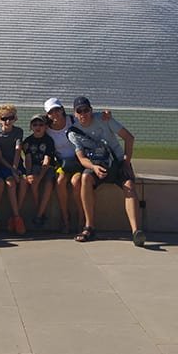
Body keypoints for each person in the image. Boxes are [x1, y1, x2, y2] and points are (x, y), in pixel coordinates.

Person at [67, 96, 145, 247]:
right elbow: (82, 158)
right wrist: (94, 167)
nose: (84, 114)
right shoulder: (73, 132)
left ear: (91, 110)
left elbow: (129, 138)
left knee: (129, 185)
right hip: (96, 166)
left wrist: (126, 162)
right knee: (85, 178)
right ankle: (89, 226)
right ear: (75, 113)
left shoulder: (104, 119)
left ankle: (136, 231)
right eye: (80, 111)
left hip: (116, 163)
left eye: (86, 110)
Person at [44, 97, 82, 233]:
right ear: (47, 115)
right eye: (51, 112)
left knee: (76, 182)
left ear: (62, 110)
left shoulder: (72, 121)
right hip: (62, 163)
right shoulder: (47, 129)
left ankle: (81, 217)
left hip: (79, 161)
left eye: (57, 110)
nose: (55, 114)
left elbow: (88, 118)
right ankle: (65, 218)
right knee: (60, 182)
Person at [0, 103, 26, 235]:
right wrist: (12, 169)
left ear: (15, 118)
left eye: (10, 118)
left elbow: (18, 150)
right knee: (10, 183)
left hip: (16, 164)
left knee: (24, 182)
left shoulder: (18, 131)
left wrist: (15, 168)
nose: (7, 121)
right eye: (3, 118)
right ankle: (17, 217)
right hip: (4, 165)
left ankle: (15, 215)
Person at [20, 113, 56, 229]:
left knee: (48, 183)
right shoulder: (27, 141)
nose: (38, 127)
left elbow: (47, 160)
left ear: (46, 127)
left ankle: (39, 214)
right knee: (33, 183)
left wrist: (40, 176)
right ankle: (39, 211)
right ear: (31, 127)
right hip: (35, 167)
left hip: (48, 167)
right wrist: (29, 173)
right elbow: (28, 159)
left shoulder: (49, 140)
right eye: (35, 124)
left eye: (41, 124)